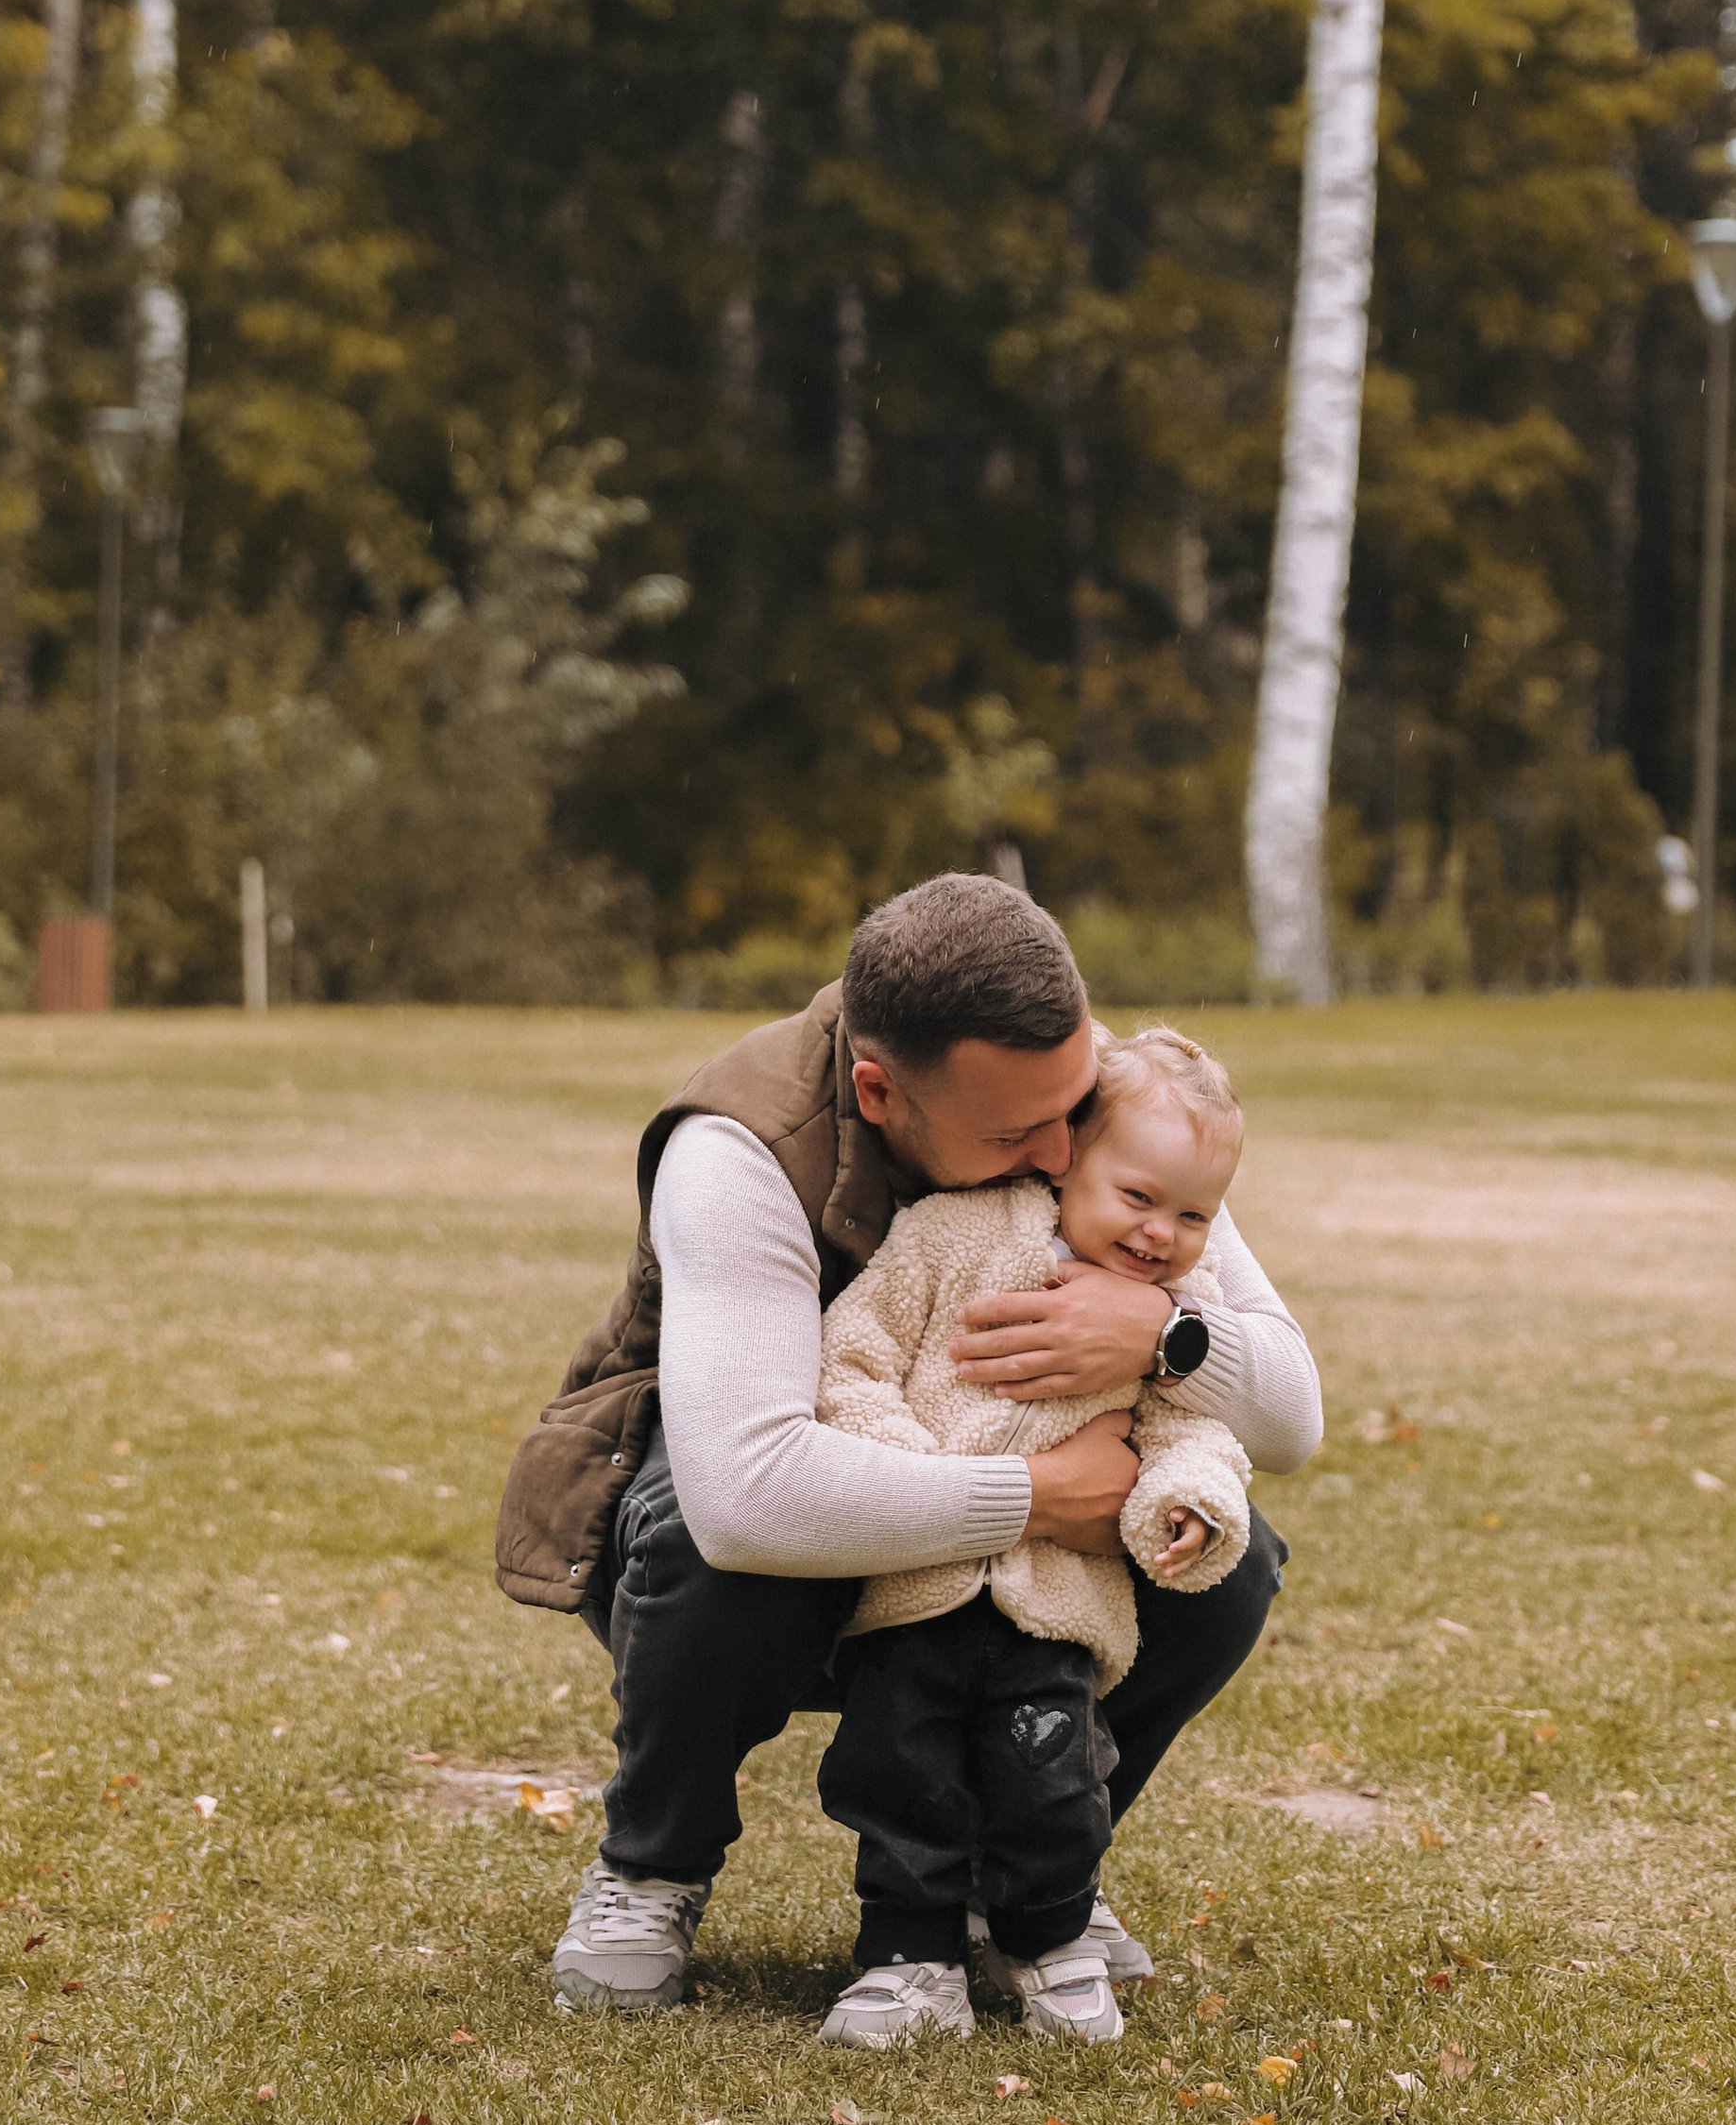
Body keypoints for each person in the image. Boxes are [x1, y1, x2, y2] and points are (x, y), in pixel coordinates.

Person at [492, 871, 1323, 2016]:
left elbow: (1290, 1419)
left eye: (1069, 1109)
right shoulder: (738, 1149)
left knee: (1226, 1561)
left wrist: (1165, 1329)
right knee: (707, 1539)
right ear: (880, 1093)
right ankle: (652, 1863)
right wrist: (1032, 1496)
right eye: (1014, 1131)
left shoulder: (1096, 1096)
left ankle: (1022, 1871)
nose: (1054, 1151)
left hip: (1008, 1553)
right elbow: (746, 1497)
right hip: (743, 1525)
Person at [812, 1025, 1256, 2049]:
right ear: (1068, 1160)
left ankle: (1051, 1945)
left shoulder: (1176, 1308)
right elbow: (850, 1364)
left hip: (1057, 1597)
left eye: (1193, 1215)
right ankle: (906, 1961)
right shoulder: (947, 1237)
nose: (1158, 1235)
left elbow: (1197, 1431)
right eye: (1138, 1199)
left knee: (1054, 1778)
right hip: (913, 1589)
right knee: (898, 1776)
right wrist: (920, 1481)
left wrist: (1183, 1502)